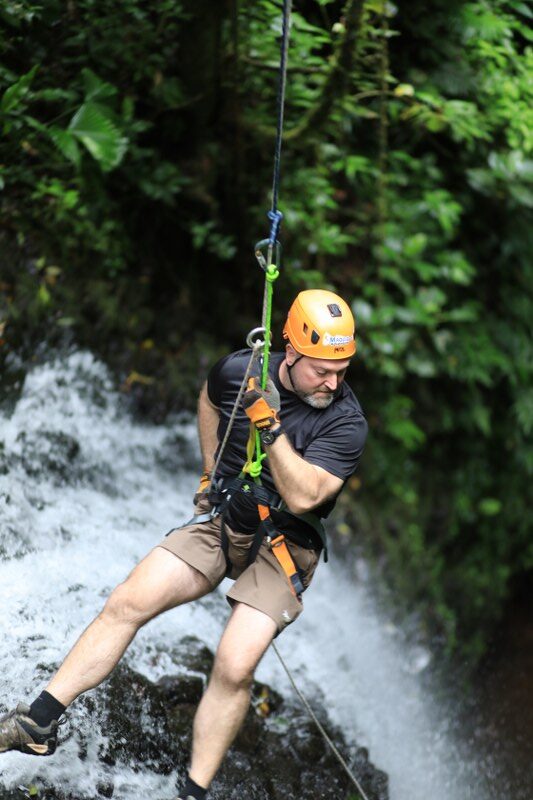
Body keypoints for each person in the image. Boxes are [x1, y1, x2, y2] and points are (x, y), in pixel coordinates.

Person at [0, 289, 368, 800]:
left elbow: (305, 494)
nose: (332, 382)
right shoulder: (242, 370)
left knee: (235, 664)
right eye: (321, 370)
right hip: (227, 518)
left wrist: (271, 425)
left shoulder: (347, 422)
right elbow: (209, 396)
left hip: (285, 545)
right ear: (292, 352)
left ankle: (192, 791)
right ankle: (38, 723)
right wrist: (207, 471)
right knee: (129, 600)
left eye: (342, 369)